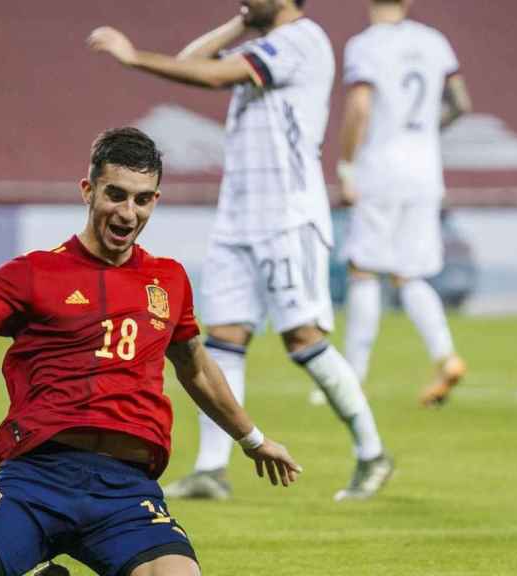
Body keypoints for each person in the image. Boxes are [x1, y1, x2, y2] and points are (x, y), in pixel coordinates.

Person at [0, 128, 301, 576]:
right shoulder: (34, 272)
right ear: (88, 190)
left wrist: (252, 440)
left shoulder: (168, 280)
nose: (127, 212)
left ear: (155, 200)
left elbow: (195, 366)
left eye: (141, 199)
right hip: (35, 482)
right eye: (116, 195)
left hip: (127, 494)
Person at [88, 0, 393, 502]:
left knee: (303, 338)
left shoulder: (303, 40)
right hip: (239, 215)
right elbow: (195, 59)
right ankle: (212, 469)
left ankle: (371, 452)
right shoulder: (262, 39)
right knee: (222, 338)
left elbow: (208, 77)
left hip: (287, 215)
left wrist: (133, 57)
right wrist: (243, 19)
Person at [336, 0, 472, 406]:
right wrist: (429, 129)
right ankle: (445, 357)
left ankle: (351, 379)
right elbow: (461, 103)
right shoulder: (435, 41)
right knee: (410, 274)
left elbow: (360, 105)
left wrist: (346, 165)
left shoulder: (365, 45)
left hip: (380, 167)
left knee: (364, 270)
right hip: (425, 171)